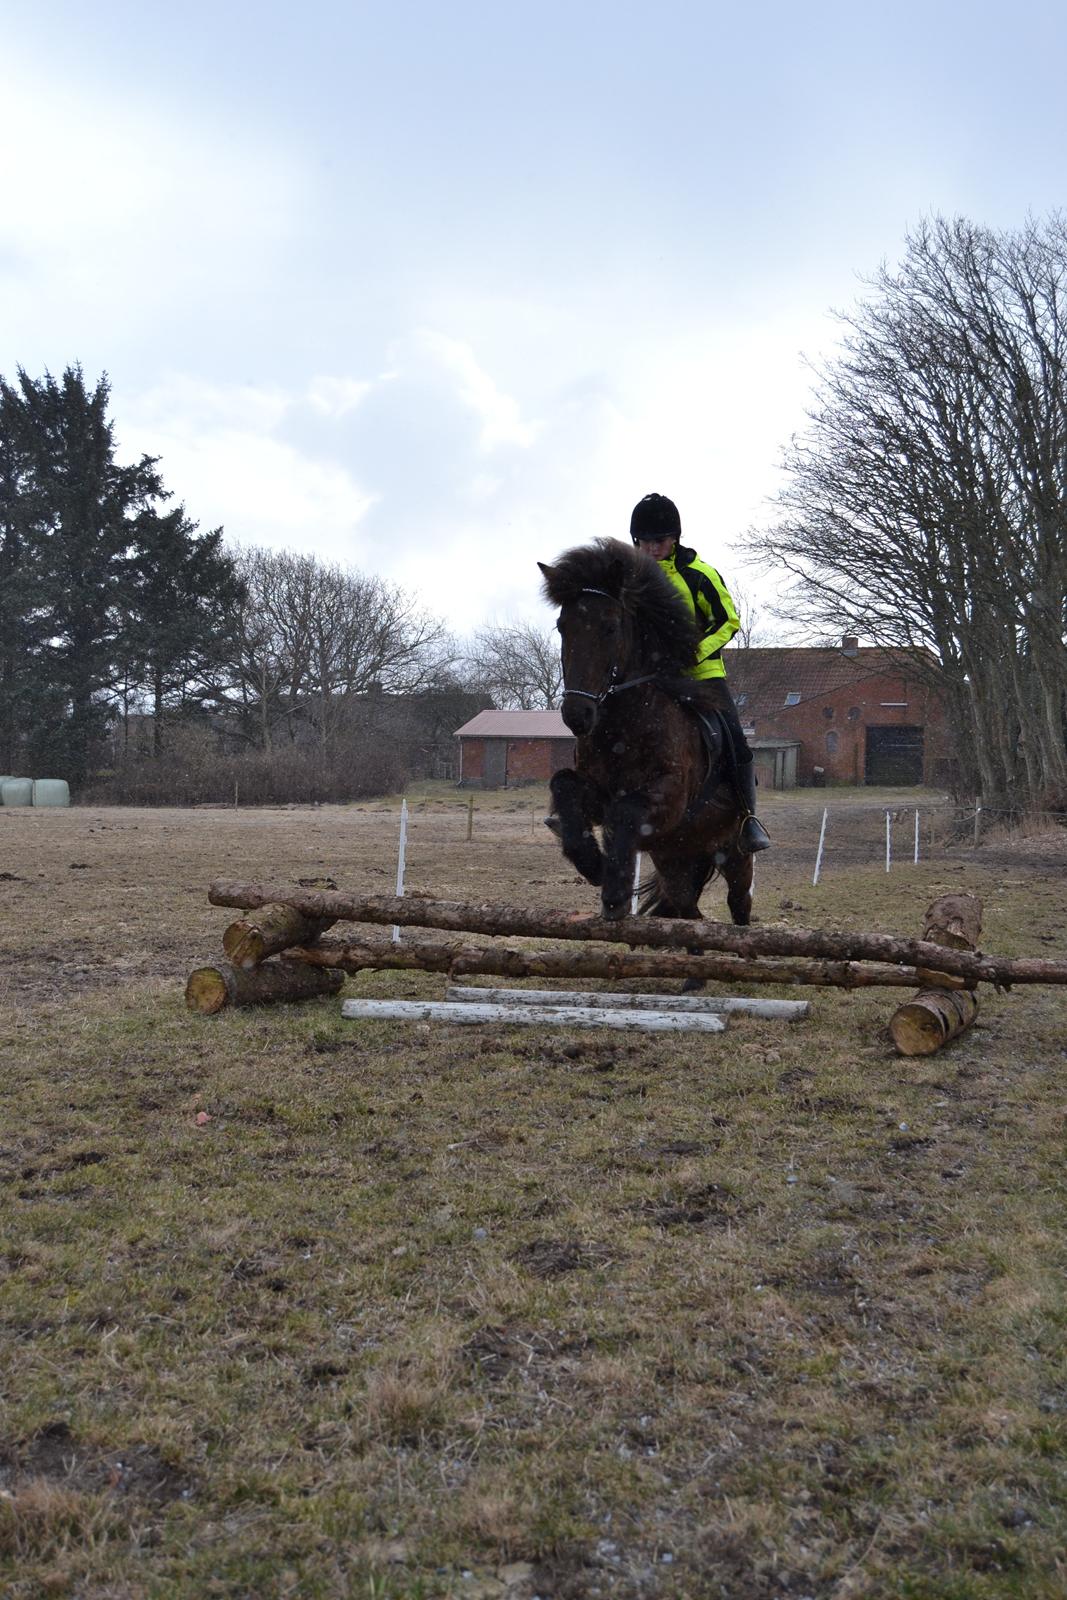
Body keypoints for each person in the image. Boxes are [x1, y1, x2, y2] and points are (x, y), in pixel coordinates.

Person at [630, 492, 771, 854]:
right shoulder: (629, 580)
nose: (651, 548)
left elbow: (728, 621)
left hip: (701, 676)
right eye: (644, 542)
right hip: (647, 679)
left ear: (674, 538)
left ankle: (747, 819)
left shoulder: (699, 574)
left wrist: (692, 655)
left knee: (735, 740)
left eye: (658, 541)